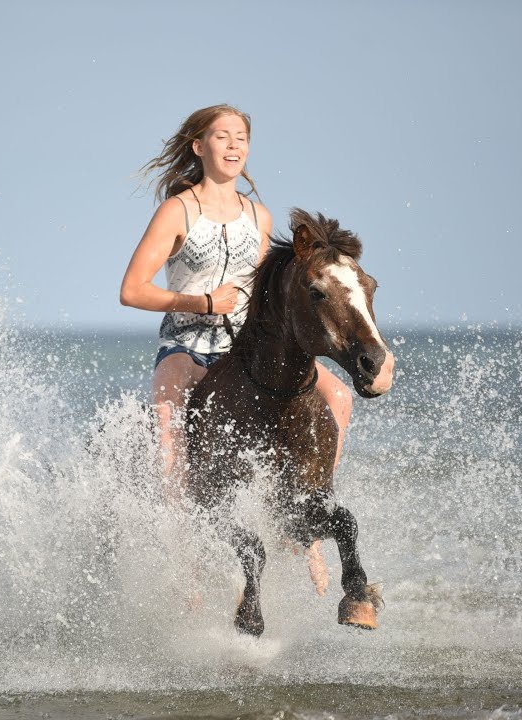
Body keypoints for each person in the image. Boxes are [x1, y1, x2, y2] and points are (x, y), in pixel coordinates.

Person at [118, 103, 353, 596]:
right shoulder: (177, 210)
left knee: (338, 396)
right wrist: (201, 300)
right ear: (198, 147)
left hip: (244, 346)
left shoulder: (259, 216)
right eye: (221, 136)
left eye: (241, 137)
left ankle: (307, 520)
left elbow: (272, 292)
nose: (233, 145)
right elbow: (133, 290)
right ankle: (185, 558)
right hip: (187, 344)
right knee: (170, 436)